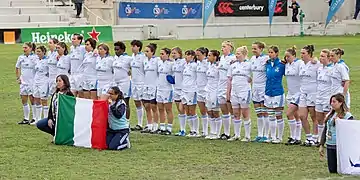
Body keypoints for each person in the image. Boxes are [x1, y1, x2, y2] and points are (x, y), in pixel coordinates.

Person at [319, 93, 354, 174]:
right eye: (331, 102)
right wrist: (321, 144)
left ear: (340, 102)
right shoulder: (331, 115)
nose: (332, 104)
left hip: (341, 146)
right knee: (332, 170)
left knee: (342, 170)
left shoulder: (348, 116)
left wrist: (340, 122)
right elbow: (326, 129)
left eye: (334, 102)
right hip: (330, 144)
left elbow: (351, 131)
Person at [227, 46, 252, 142]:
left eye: (238, 53)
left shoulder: (249, 65)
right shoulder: (233, 65)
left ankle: (247, 136)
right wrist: (228, 93)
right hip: (234, 91)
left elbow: (253, 77)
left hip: (244, 91)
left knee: (245, 113)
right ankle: (236, 135)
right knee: (236, 113)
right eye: (236, 53)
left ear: (244, 54)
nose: (236, 55)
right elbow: (229, 78)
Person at [298, 44, 322, 146]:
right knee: (302, 116)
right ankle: (308, 137)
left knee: (314, 116)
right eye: (301, 53)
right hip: (303, 92)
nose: (301, 55)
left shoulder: (316, 64)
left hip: (313, 92)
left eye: (303, 53)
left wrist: (316, 60)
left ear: (309, 54)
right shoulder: (300, 64)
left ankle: (315, 137)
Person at [264, 45, 286, 144]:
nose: (270, 54)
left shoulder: (281, 65)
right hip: (268, 92)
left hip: (278, 92)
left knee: (279, 115)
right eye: (269, 52)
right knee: (271, 115)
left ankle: (279, 137)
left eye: (272, 52)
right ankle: (272, 136)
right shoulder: (267, 64)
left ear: (276, 53)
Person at [250, 41, 270, 142]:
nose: (253, 50)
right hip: (255, 87)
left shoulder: (266, 59)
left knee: (264, 111)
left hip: (263, 87)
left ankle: (266, 135)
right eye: (252, 48)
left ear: (261, 49)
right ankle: (259, 134)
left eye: (255, 48)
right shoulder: (252, 59)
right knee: (258, 112)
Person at [284, 46, 303, 145]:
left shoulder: (299, 64)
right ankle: (297, 138)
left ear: (294, 56)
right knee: (296, 116)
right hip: (290, 93)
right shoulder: (287, 65)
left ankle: (293, 136)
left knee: (289, 113)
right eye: (286, 56)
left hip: (298, 93)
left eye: (289, 56)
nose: (287, 58)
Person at [217, 40, 236, 140]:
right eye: (222, 46)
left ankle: (235, 133)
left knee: (232, 110)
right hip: (220, 86)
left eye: (224, 46)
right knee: (224, 111)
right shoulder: (221, 58)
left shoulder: (233, 58)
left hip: (228, 87)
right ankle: (226, 132)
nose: (222, 48)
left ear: (230, 48)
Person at [16, 42, 37, 125]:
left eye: (25, 48)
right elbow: (17, 67)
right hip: (23, 83)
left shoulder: (35, 57)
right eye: (23, 48)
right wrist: (18, 78)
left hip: (32, 82)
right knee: (24, 100)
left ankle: (35, 118)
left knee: (33, 100)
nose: (24, 49)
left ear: (31, 48)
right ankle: (26, 118)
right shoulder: (21, 57)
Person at [315, 49, 333, 145]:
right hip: (319, 97)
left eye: (323, 56)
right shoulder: (319, 69)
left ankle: (328, 139)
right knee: (319, 119)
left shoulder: (332, 69)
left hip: (327, 97)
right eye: (320, 56)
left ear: (329, 57)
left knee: (327, 119)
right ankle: (319, 139)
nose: (321, 58)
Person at [140, 43, 159, 133]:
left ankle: (155, 125)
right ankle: (149, 124)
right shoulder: (144, 61)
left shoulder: (157, 60)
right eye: (145, 51)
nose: (145, 53)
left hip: (153, 86)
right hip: (146, 85)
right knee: (146, 106)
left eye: (147, 51)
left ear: (153, 52)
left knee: (153, 106)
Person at [106, 86, 131, 150]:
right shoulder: (108, 102)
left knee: (113, 147)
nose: (109, 95)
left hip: (122, 129)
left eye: (111, 94)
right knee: (106, 145)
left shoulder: (121, 103)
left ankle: (125, 143)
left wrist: (111, 106)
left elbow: (118, 115)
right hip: (112, 130)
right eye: (108, 93)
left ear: (117, 95)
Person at [113, 41, 132, 121]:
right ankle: (118, 119)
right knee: (115, 101)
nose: (116, 51)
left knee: (125, 102)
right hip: (115, 82)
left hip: (125, 82)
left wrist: (131, 72)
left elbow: (136, 67)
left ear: (122, 50)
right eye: (115, 50)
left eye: (117, 50)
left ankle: (126, 121)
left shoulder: (128, 58)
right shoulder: (114, 58)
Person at [157, 48, 174, 135]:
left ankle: (169, 128)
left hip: (167, 89)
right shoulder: (159, 62)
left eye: (163, 54)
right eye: (160, 54)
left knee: (168, 109)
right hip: (159, 88)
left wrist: (172, 79)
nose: (161, 55)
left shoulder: (171, 64)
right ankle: (162, 126)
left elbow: (175, 76)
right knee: (160, 108)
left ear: (167, 55)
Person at [130, 40, 146, 131]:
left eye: (134, 46)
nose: (132, 48)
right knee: (136, 102)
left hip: (141, 83)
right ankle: (139, 123)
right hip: (134, 82)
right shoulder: (132, 56)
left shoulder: (143, 57)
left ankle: (148, 123)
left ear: (138, 47)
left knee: (145, 103)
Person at [31, 45, 49, 125]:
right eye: (36, 51)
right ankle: (38, 119)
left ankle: (45, 119)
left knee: (44, 100)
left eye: (39, 51)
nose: (37, 53)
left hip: (44, 82)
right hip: (36, 82)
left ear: (43, 52)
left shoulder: (47, 61)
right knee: (36, 99)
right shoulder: (36, 60)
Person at [205, 50, 221, 139]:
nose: (208, 57)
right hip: (208, 90)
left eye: (209, 55)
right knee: (209, 111)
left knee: (215, 112)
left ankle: (217, 133)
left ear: (215, 57)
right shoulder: (208, 65)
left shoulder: (218, 66)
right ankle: (212, 131)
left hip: (215, 91)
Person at [182, 50, 198, 137]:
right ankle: (191, 130)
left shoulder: (195, 66)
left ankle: (195, 130)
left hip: (192, 90)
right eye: (186, 55)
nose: (186, 57)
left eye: (188, 55)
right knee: (187, 110)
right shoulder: (185, 65)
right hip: (184, 90)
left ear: (192, 56)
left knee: (192, 110)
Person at [172, 47, 187, 136]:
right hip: (176, 88)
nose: (173, 54)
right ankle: (182, 129)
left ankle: (193, 129)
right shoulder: (173, 63)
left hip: (183, 89)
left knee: (183, 109)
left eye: (175, 53)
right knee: (179, 110)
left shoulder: (183, 62)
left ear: (180, 53)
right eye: (172, 53)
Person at [195, 47, 209, 137]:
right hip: (199, 89)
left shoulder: (208, 63)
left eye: (198, 55)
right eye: (196, 55)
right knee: (202, 111)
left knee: (210, 111)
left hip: (206, 90)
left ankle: (211, 130)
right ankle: (204, 131)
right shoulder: (197, 63)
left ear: (204, 55)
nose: (197, 57)